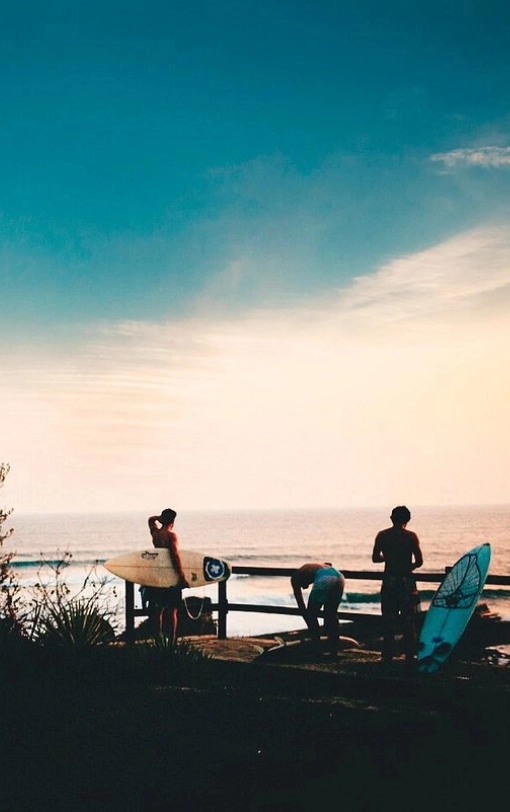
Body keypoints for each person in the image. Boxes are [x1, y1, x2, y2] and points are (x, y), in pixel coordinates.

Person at [371, 505, 423, 665]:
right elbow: (419, 561)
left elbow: (375, 558)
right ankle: (409, 654)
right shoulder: (411, 537)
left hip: (389, 580)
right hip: (406, 581)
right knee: (408, 619)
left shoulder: (382, 535)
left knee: (388, 618)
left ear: (392, 518)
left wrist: (388, 558)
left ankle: (387, 654)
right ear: (407, 520)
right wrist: (409, 566)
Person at [145, 508, 188, 641]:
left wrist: (159, 517)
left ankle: (159, 640)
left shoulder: (155, 534)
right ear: (173, 521)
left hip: (158, 576)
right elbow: (175, 556)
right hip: (170, 577)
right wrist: (181, 577)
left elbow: (151, 520)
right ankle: (172, 641)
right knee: (172, 610)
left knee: (158, 610)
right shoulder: (171, 536)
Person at [291, 563, 345, 656]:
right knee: (331, 614)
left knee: (311, 614)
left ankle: (317, 647)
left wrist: (310, 625)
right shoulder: (311, 568)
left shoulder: (295, 579)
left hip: (324, 578)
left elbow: (301, 605)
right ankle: (334, 649)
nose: (304, 588)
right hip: (339, 576)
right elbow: (329, 564)